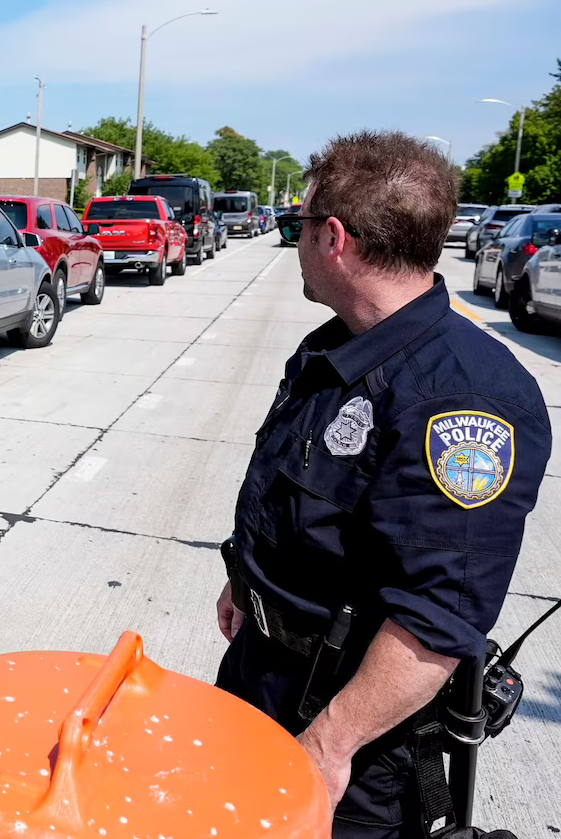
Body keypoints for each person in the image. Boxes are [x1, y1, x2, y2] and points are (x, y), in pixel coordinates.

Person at [214, 130, 551, 838]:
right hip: (260, 678)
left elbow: (435, 616)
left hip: (352, 736)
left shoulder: (466, 398)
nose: (295, 239)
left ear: (332, 237)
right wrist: (245, 579)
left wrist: (331, 747)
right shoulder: (337, 346)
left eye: (297, 224)